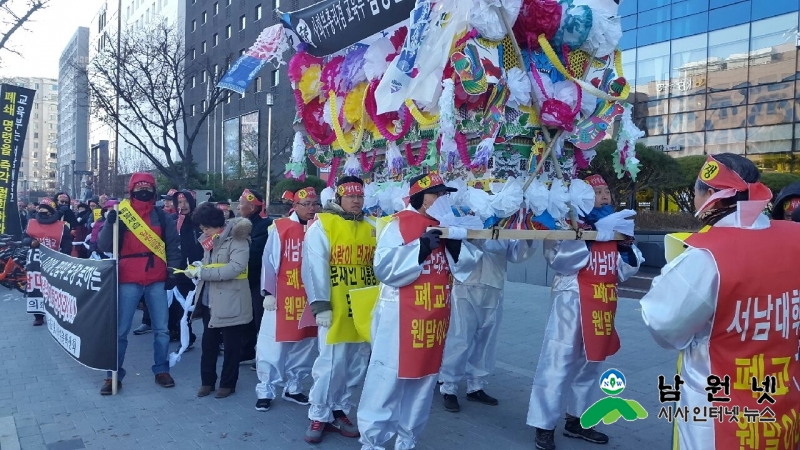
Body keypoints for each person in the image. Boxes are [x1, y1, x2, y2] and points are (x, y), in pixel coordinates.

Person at [640, 154, 800, 450]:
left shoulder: (706, 255)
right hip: (781, 403)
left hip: (718, 413)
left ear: (711, 195)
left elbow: (662, 324)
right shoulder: (795, 237)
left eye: (696, 190)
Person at [357, 173, 482, 450]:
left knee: (424, 379)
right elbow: (384, 267)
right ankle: (373, 441)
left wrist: (456, 246)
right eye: (435, 194)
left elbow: (465, 268)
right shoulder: (398, 224)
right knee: (388, 377)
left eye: (443, 194)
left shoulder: (447, 226)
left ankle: (408, 439)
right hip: (399, 315)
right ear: (419, 197)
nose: (441, 199)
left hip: (434, 317)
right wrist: (420, 248)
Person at [527, 174, 643, 450]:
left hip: (603, 303)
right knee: (559, 360)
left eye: (606, 191)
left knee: (592, 363)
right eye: (597, 192)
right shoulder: (567, 223)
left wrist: (626, 249)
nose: (603, 196)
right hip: (572, 300)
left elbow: (625, 270)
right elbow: (558, 260)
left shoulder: (616, 224)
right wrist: (589, 238)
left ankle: (577, 419)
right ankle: (544, 424)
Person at [302, 176, 376, 444]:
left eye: (360, 196)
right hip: (334, 308)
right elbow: (313, 266)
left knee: (356, 363)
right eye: (351, 196)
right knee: (330, 363)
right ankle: (319, 413)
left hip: (364, 308)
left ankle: (341, 409)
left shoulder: (373, 226)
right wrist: (320, 304)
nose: (356, 200)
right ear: (339, 198)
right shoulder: (324, 225)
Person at [98, 173, 181, 395]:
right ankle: (112, 375)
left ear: (154, 191)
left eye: (147, 188)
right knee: (121, 331)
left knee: (162, 330)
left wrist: (172, 271)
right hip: (128, 279)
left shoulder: (162, 217)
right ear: (131, 191)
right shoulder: (122, 215)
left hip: (156, 278)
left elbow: (173, 245)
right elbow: (104, 245)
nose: (143, 192)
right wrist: (109, 223)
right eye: (139, 188)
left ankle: (162, 370)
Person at [438, 236, 538, 412]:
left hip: (493, 284)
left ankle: (476, 386)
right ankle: (449, 387)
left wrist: (528, 238)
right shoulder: (462, 212)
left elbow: (516, 254)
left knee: (486, 339)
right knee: (459, 339)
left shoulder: (501, 217)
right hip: (465, 284)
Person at [255, 187, 320, 412]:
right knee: (273, 344)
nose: (312, 209)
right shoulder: (281, 228)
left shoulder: (320, 228)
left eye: (315, 204)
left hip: (310, 298)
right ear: (295, 206)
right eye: (307, 204)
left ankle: (294, 386)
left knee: (304, 343)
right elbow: (269, 261)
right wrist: (269, 293)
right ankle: (265, 388)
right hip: (283, 296)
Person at [185, 203, 253, 399]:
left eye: (206, 228)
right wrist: (198, 267)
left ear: (216, 224)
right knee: (208, 344)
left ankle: (228, 384)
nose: (203, 232)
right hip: (209, 299)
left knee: (231, 346)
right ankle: (207, 381)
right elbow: (210, 265)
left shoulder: (238, 239)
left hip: (232, 300)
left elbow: (235, 268)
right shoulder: (210, 240)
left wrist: (203, 272)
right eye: (202, 229)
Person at [237, 189, 273, 365]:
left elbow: (256, 253)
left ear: (251, 207)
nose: (238, 208)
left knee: (260, 318)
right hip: (246, 278)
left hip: (259, 278)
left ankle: (265, 355)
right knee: (247, 316)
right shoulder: (242, 223)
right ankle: (247, 351)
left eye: (241, 204)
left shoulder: (264, 225)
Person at [23, 198, 71, 326]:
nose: (42, 213)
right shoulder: (31, 223)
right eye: (40, 210)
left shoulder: (62, 226)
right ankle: (38, 315)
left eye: (46, 211)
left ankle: (55, 312)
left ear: (51, 212)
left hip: (55, 259)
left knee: (54, 287)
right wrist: (30, 242)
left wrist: (64, 259)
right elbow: (24, 239)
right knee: (36, 288)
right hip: (35, 261)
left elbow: (67, 245)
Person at [169, 190, 202, 346]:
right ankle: (186, 336)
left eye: (186, 202)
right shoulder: (173, 221)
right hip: (181, 270)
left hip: (202, 269)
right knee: (181, 305)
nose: (183, 206)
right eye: (180, 203)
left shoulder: (200, 220)